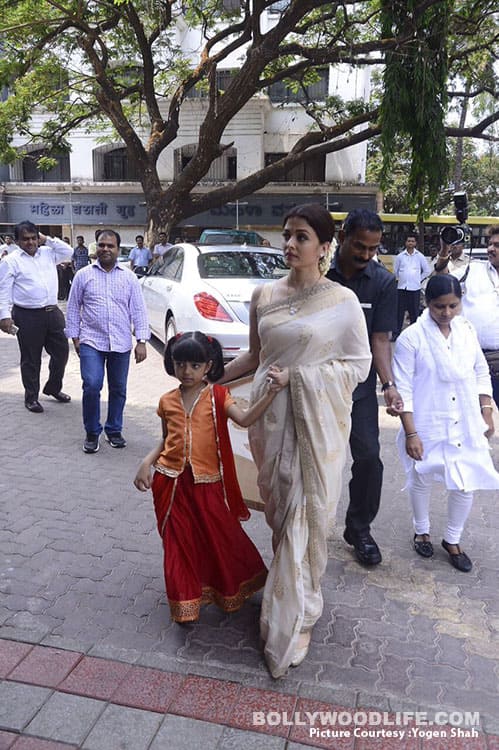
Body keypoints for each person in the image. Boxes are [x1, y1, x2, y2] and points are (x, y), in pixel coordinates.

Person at [220, 203, 371, 678]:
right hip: (269, 422)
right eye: (287, 235)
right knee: (283, 517)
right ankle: (295, 597)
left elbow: (357, 365)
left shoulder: (342, 302)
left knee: (307, 518)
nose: (290, 244)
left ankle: (296, 619)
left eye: (302, 237)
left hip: (315, 423)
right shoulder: (263, 294)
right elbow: (255, 356)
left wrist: (302, 379)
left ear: (324, 247)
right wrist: (207, 381)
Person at [133, 331, 281, 623]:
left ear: (209, 366)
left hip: (207, 483)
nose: (186, 372)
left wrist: (272, 393)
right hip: (169, 483)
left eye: (195, 366)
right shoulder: (167, 401)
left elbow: (246, 419)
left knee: (220, 537)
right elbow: (166, 440)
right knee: (177, 542)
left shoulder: (218, 396)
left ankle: (231, 586)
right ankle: (184, 600)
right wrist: (146, 461)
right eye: (180, 364)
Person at [392, 275, 499, 572]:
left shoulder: (466, 329)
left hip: (465, 418)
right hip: (427, 419)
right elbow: (404, 388)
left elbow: (480, 370)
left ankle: (452, 540)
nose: (447, 313)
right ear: (427, 303)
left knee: (466, 482)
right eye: (440, 307)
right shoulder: (412, 337)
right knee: (421, 476)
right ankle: (421, 530)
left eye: (453, 305)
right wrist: (411, 432)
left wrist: (486, 409)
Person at [327, 209, 403, 566]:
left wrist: (388, 384)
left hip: (358, 391)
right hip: (316, 387)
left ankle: (359, 528)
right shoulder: (319, 274)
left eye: (373, 249)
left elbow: (380, 340)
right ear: (343, 236)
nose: (366, 255)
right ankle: (306, 524)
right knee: (312, 459)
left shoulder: (383, 282)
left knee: (370, 459)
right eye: (360, 246)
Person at [66, 229, 150, 453]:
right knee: (92, 385)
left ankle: (114, 430)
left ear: (117, 249)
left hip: (121, 342)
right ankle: (92, 432)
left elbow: (139, 310)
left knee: (118, 388)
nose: (105, 249)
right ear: (96, 247)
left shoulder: (129, 277)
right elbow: (73, 307)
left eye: (110, 246)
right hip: (91, 341)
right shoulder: (83, 275)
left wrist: (141, 340)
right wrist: (75, 338)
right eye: (101, 245)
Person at [0, 221, 73, 412]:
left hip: (53, 312)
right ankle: (31, 397)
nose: (30, 242)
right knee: (31, 359)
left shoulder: (48, 253)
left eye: (33, 238)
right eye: (25, 239)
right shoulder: (11, 261)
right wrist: (4, 316)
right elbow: (3, 291)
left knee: (62, 353)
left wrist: (46, 239)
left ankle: (53, 388)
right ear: (17, 241)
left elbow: (69, 252)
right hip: (26, 315)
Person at [460, 225, 499, 408]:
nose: (491, 249)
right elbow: (439, 284)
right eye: (490, 244)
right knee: (471, 422)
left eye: (497, 245)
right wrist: (444, 253)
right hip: (474, 362)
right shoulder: (473, 270)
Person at [393, 233, 431, 338]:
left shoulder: (420, 256)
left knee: (414, 312)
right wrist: (401, 278)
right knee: (399, 312)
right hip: (402, 288)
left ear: (415, 243)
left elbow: (427, 270)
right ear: (405, 243)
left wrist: (418, 279)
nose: (410, 243)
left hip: (414, 289)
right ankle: (396, 333)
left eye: (412, 241)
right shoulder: (400, 256)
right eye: (408, 241)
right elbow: (395, 271)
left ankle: (414, 335)